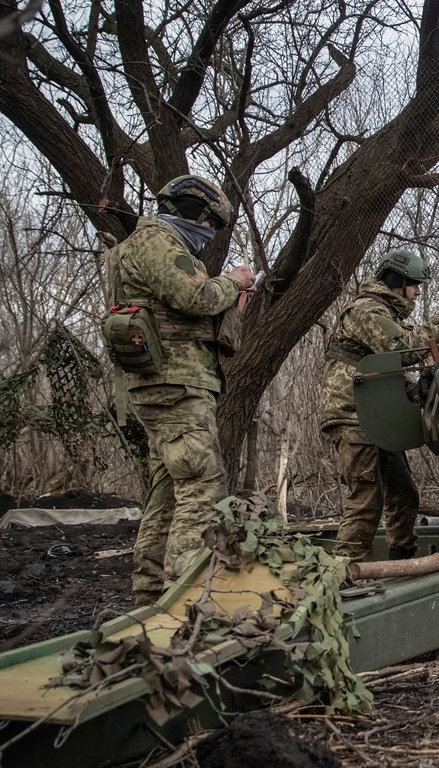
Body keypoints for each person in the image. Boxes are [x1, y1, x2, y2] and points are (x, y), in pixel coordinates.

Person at [104, 174, 255, 606]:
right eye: (211, 226)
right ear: (199, 216)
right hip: (175, 386)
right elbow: (196, 298)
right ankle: (185, 599)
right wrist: (234, 282)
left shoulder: (141, 248)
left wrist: (232, 305)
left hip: (163, 386)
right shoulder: (157, 244)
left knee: (167, 490)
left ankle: (150, 592)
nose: (209, 235)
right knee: (201, 486)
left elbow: (181, 311)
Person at [319, 248, 439, 561]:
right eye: (414, 284)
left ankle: (402, 562)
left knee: (404, 495)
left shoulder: (384, 315)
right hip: (352, 416)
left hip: (374, 417)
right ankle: (340, 576)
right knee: (366, 499)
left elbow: (394, 360)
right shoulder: (366, 310)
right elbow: (399, 348)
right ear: (396, 282)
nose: (417, 291)